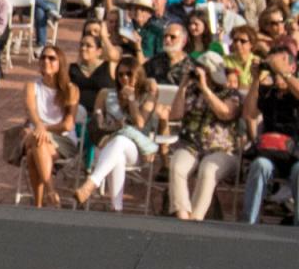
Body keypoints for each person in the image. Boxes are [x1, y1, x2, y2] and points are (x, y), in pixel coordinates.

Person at [74, 59, 159, 211]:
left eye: (129, 74)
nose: (124, 78)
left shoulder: (147, 96)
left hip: (136, 149)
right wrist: (110, 125)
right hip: (107, 144)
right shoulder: (106, 94)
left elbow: (140, 123)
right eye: (120, 75)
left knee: (120, 140)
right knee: (117, 152)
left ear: (138, 75)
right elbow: (97, 122)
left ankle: (91, 183)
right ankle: (116, 208)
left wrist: (132, 100)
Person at [167, 51, 242, 221]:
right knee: (177, 165)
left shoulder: (230, 94)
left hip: (222, 150)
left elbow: (225, 113)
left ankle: (196, 218)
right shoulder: (192, 91)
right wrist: (183, 86)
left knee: (208, 169)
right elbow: (175, 115)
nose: (201, 73)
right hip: (192, 145)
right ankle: (182, 216)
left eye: (205, 70)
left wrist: (205, 88)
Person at [241, 46, 299, 225]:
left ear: (292, 67)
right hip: (271, 153)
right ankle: (250, 223)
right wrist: (256, 79)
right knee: (259, 165)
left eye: (281, 62)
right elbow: (249, 113)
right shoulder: (269, 92)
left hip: (295, 154)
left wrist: (285, 75)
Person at [20, 45, 79, 208]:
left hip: (62, 140)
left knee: (33, 151)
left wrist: (42, 129)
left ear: (60, 63)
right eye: (43, 57)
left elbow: (67, 125)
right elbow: (31, 110)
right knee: (38, 143)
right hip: (38, 136)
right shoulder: (32, 87)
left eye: (52, 58)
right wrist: (39, 127)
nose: (46, 60)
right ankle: (50, 192)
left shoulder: (71, 89)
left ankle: (40, 204)